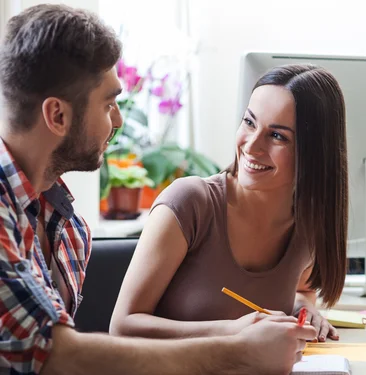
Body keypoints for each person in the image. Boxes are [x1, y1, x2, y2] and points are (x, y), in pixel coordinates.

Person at [0, 4, 317, 375]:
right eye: (108, 103)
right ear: (58, 116)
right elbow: (62, 364)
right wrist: (237, 351)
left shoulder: (64, 223)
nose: (117, 121)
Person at [110, 64, 349, 342]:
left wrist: (303, 307)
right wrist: (235, 332)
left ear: (314, 154)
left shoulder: (307, 227)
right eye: (249, 122)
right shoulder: (190, 204)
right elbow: (123, 326)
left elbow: (303, 288)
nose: (251, 146)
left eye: (277, 136)